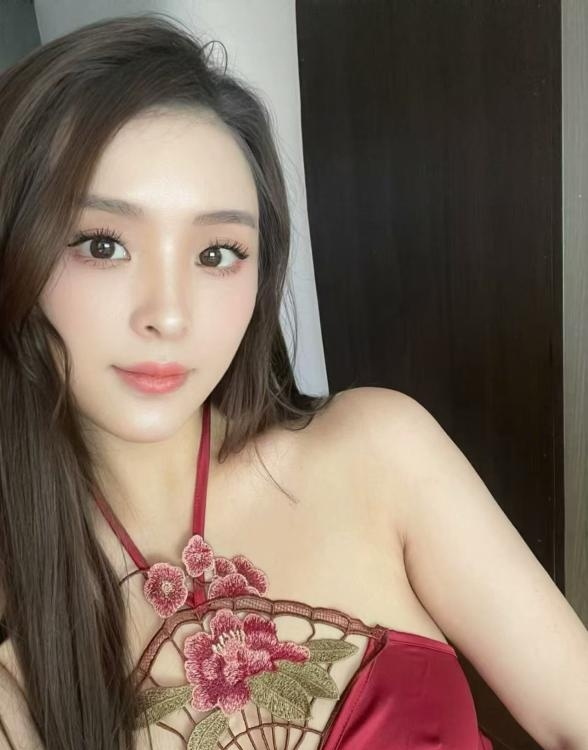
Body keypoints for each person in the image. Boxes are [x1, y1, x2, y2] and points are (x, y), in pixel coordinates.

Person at [0, 11, 587, 750]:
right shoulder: (21, 626)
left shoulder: (376, 453)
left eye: (217, 253)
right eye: (103, 244)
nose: (169, 315)